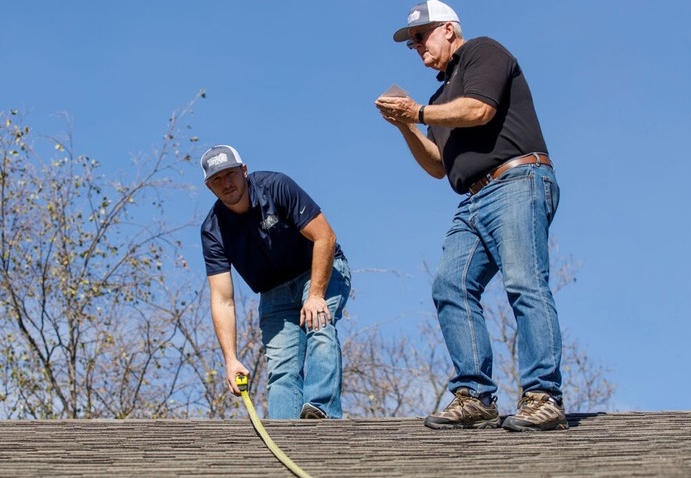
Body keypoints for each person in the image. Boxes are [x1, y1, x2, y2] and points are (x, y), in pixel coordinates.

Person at [375, 0, 568, 432]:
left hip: (517, 180)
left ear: (448, 29)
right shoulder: (438, 97)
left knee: (523, 281)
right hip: (473, 199)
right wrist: (406, 124)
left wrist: (418, 113)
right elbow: (437, 164)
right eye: (411, 43)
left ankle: (543, 396)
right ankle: (476, 396)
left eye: (421, 36)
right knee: (450, 284)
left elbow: (480, 109)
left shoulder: (483, 51)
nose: (417, 46)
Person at [199, 144, 350, 419]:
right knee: (282, 366)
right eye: (217, 180)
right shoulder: (213, 230)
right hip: (272, 292)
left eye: (230, 174)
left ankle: (321, 413)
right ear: (210, 187)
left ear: (244, 171)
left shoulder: (275, 186)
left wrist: (316, 294)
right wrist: (230, 360)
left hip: (317, 270)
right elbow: (222, 299)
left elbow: (325, 237)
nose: (226, 184)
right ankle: (286, 439)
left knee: (319, 325)